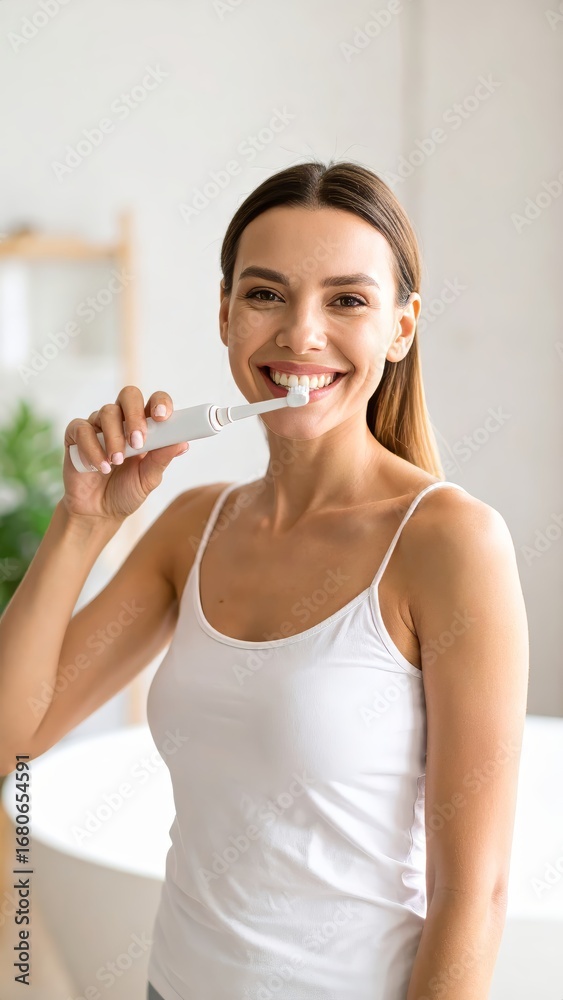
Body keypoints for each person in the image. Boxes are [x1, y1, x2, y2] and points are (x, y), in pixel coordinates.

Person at [0, 161, 529, 1000]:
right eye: (265, 294)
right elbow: (13, 737)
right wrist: (84, 522)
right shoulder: (193, 527)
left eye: (346, 300)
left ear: (400, 327)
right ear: (225, 313)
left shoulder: (450, 544)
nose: (300, 334)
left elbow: (475, 895)